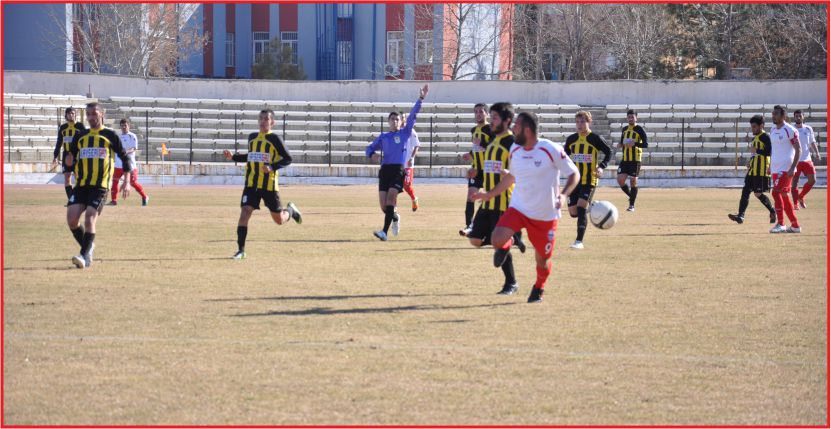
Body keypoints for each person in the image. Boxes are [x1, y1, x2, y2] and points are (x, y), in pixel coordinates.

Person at [473, 112, 579, 303]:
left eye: (517, 126)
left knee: (542, 261)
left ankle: (539, 287)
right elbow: (512, 177)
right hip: (519, 208)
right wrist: (488, 194)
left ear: (527, 130)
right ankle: (505, 246)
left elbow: (574, 174)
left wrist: (563, 195)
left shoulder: (550, 149)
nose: (513, 129)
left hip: (545, 215)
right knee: (496, 239)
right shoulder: (515, 148)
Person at [222, 109, 303, 259]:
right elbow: (251, 156)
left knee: (279, 220)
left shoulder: (275, 139)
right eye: (261, 118)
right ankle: (241, 250)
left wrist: (272, 167)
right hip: (251, 184)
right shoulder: (252, 137)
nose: (263, 121)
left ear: (272, 122)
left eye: (266, 119)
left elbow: (288, 158)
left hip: (269, 186)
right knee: (245, 213)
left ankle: (290, 211)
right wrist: (233, 157)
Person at [466, 102, 525, 296]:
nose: (491, 120)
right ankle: (511, 238)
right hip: (488, 199)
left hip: (504, 200)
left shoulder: (513, 143)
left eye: (496, 117)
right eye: (490, 116)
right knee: (474, 239)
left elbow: (519, 173)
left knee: (498, 243)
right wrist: (477, 170)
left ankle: (511, 283)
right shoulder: (492, 141)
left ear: (507, 121)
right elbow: (490, 165)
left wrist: (508, 172)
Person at [64, 103, 132, 269]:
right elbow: (71, 158)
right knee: (72, 219)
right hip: (81, 185)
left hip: (100, 186)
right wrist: (68, 165)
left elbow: (125, 159)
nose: (91, 117)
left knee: (89, 217)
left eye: (94, 113)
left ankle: (84, 256)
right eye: (88, 114)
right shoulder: (80, 136)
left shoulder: (110, 135)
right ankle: (89, 246)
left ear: (102, 114)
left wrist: (127, 181)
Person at [365, 84, 429, 241]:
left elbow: (413, 115)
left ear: (401, 122)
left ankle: (384, 233)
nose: (394, 121)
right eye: (392, 119)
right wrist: (372, 155)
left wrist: (420, 98)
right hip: (385, 171)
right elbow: (369, 148)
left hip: (399, 170)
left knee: (391, 199)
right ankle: (394, 218)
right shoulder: (383, 137)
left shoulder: (405, 133)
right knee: (384, 206)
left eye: (397, 119)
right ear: (388, 121)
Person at [564, 110, 611, 249]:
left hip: (589, 179)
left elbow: (609, 152)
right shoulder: (571, 139)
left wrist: (601, 167)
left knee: (581, 208)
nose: (579, 124)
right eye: (577, 122)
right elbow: (564, 156)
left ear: (589, 122)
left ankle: (579, 241)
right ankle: (592, 206)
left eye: (583, 121)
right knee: (573, 213)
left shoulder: (595, 138)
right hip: (575, 180)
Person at [728, 115, 776, 225]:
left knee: (758, 194)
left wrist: (758, 151)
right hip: (752, 171)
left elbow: (770, 152)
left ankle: (773, 211)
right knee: (745, 192)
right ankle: (741, 216)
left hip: (761, 171)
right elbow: (755, 153)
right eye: (752, 127)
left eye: (754, 127)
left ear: (761, 126)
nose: (753, 129)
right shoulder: (755, 138)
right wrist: (750, 161)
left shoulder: (765, 137)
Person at [460, 103, 492, 236]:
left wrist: (483, 143)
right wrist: (470, 154)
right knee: (470, 197)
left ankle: (493, 226)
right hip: (476, 169)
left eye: (481, 111)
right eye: (476, 112)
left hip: (490, 169)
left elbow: (495, 146)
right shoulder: (473, 130)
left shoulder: (491, 129)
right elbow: (477, 148)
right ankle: (469, 226)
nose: (478, 114)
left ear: (487, 114)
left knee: (492, 199)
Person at [768, 105, 801, 233]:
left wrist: (793, 167)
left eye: (776, 114)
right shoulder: (772, 130)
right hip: (776, 168)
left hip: (786, 169)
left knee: (775, 193)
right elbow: (774, 150)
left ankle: (781, 224)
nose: (773, 116)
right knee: (783, 195)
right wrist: (770, 166)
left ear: (783, 116)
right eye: (772, 113)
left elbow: (799, 149)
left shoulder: (790, 130)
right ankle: (795, 225)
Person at [109, 118, 149, 206]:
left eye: (125, 125)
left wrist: (125, 152)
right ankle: (114, 200)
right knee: (115, 181)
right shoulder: (118, 137)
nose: (123, 127)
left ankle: (144, 196)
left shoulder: (132, 136)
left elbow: (134, 148)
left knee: (133, 183)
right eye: (122, 126)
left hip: (130, 165)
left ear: (128, 126)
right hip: (118, 164)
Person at [53, 107, 86, 204]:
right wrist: (55, 156)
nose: (71, 115)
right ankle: (71, 199)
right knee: (67, 177)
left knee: (78, 178)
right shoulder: (63, 128)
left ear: (75, 115)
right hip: (66, 155)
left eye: (72, 113)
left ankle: (79, 198)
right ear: (66, 115)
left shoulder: (80, 126)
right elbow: (59, 142)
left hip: (77, 155)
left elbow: (85, 140)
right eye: (69, 113)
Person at [616, 109, 648, 211]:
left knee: (633, 181)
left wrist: (635, 144)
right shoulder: (624, 129)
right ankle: (631, 196)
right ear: (627, 118)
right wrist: (620, 144)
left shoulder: (639, 129)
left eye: (632, 117)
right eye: (629, 117)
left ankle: (631, 205)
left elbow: (646, 144)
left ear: (636, 118)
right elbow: (622, 142)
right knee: (620, 180)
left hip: (635, 159)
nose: (630, 119)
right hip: (625, 159)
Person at [791, 109, 822, 209]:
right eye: (796, 116)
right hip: (795, 160)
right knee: (795, 182)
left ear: (803, 117)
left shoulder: (808, 128)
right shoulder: (791, 129)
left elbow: (812, 142)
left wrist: (817, 153)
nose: (798, 117)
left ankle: (801, 196)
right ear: (794, 117)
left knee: (812, 180)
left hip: (807, 159)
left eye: (800, 116)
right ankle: (795, 203)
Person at [402, 117, 421, 212]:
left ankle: (414, 199)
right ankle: (393, 208)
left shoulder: (411, 131)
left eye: (403, 118)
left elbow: (417, 145)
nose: (402, 120)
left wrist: (411, 158)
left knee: (406, 185)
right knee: (394, 187)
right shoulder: (396, 132)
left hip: (408, 164)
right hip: (398, 164)